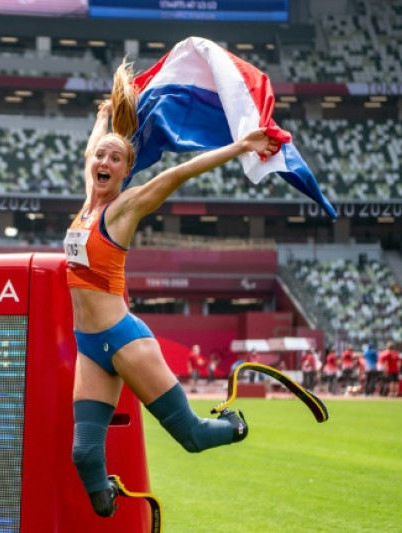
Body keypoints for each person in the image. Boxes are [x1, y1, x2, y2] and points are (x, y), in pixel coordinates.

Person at [66, 61, 282, 518]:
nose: (102, 162)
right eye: (100, 157)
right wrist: (104, 117)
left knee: (193, 438)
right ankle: (111, 510)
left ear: (126, 171)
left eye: (114, 158)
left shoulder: (123, 209)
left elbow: (179, 174)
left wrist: (240, 145)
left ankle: (236, 426)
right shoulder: (87, 204)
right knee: (85, 455)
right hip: (90, 348)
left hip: (124, 339)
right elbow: (90, 150)